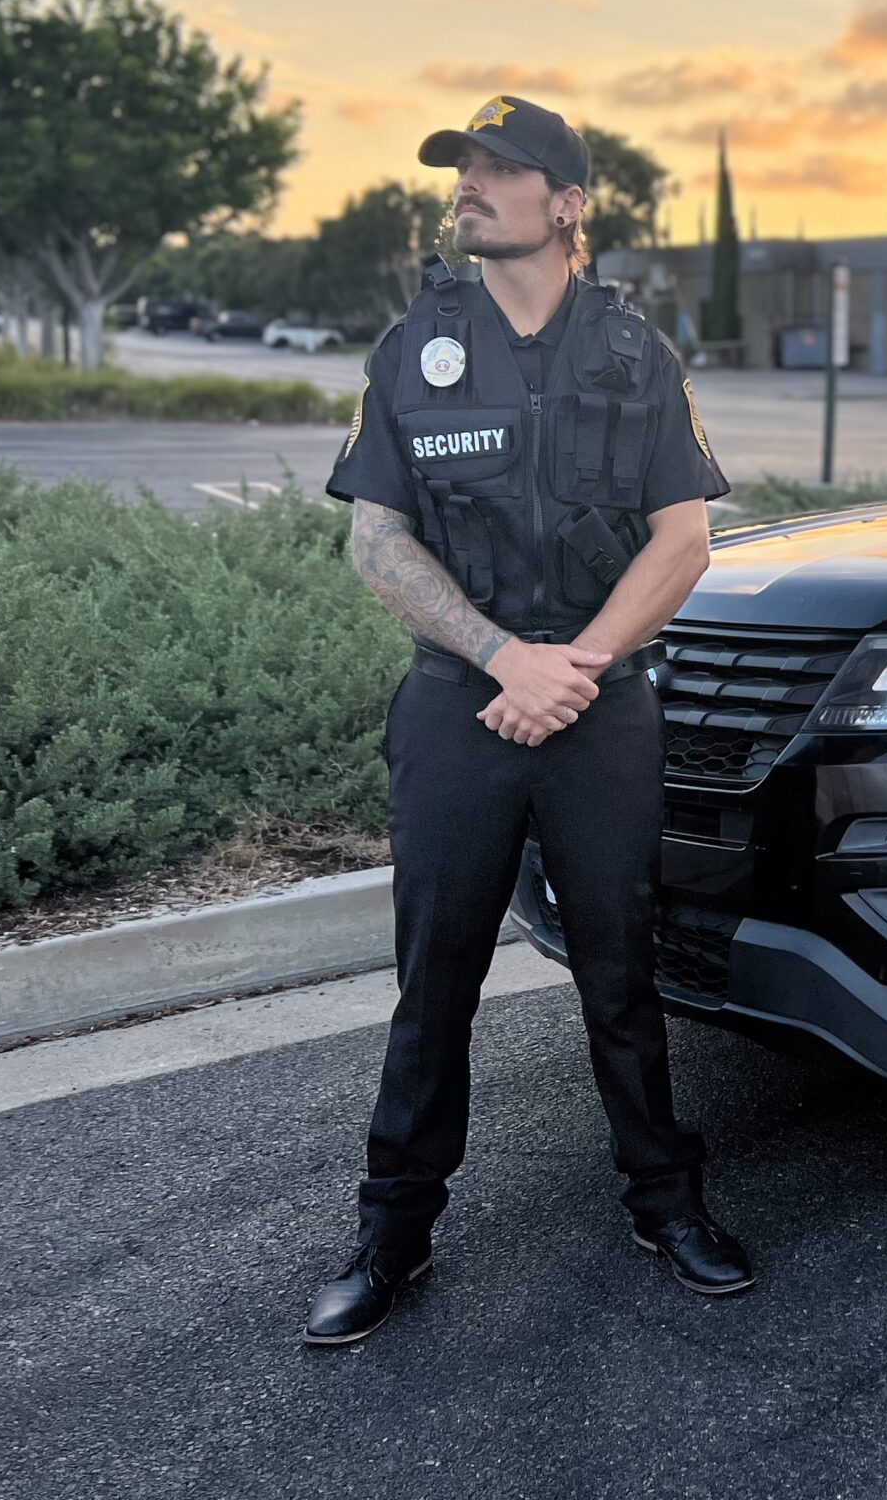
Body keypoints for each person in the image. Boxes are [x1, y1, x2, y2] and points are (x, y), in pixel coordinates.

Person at [306, 93, 753, 1345]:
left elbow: (684, 536)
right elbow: (374, 536)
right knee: (431, 983)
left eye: (501, 170)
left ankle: (665, 1205)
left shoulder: (636, 355)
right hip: (460, 709)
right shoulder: (413, 347)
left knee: (622, 972)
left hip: (601, 714)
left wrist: (583, 663)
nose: (470, 186)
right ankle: (392, 1235)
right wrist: (507, 658)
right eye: (463, 169)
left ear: (568, 206)